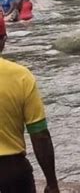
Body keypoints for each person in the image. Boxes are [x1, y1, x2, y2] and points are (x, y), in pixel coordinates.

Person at [0, 13, 59, 193]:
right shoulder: (21, 76)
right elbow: (39, 133)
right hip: (12, 174)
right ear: (3, 39)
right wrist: (52, 183)